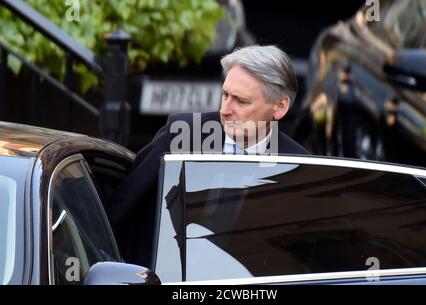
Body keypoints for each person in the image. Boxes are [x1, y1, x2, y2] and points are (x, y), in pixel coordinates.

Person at [109, 45, 309, 268]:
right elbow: (120, 210)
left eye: (241, 101)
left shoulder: (298, 166)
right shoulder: (184, 134)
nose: (225, 109)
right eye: (225, 95)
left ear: (279, 108)